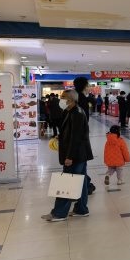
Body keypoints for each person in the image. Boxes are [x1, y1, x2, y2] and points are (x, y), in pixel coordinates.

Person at [42, 89, 93, 221]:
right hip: (80, 154)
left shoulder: (77, 114)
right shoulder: (69, 111)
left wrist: (69, 157)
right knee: (80, 182)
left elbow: (76, 137)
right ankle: (81, 209)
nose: (61, 99)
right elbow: (70, 131)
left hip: (76, 155)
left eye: (63, 97)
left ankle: (59, 213)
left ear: (71, 100)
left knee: (67, 182)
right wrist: (61, 136)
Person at [73, 76, 96, 194]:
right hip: (79, 136)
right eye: (87, 85)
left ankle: (86, 185)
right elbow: (84, 119)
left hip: (74, 134)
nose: (88, 88)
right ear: (84, 86)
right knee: (80, 162)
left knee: (79, 162)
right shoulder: (82, 99)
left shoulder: (72, 97)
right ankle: (85, 186)